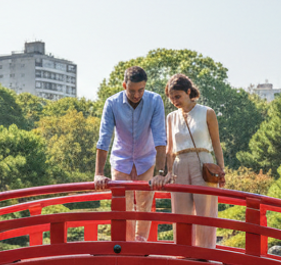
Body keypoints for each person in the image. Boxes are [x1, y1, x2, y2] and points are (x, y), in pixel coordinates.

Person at [94, 66, 168, 242]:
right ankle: (125, 244)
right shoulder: (112, 103)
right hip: (121, 158)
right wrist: (98, 173)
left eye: (141, 90)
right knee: (122, 204)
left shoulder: (155, 101)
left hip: (146, 157)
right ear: (124, 85)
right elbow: (104, 138)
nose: (136, 95)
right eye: (132, 90)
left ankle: (141, 243)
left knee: (145, 203)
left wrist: (160, 173)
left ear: (145, 86)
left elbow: (160, 138)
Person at [155, 73, 225, 249]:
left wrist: (221, 170)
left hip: (203, 162)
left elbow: (216, 144)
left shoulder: (207, 112)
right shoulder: (171, 117)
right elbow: (170, 149)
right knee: (181, 212)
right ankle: (183, 251)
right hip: (180, 163)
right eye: (171, 98)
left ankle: (205, 253)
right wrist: (167, 172)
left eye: (177, 96)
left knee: (205, 212)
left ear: (188, 92)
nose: (175, 101)